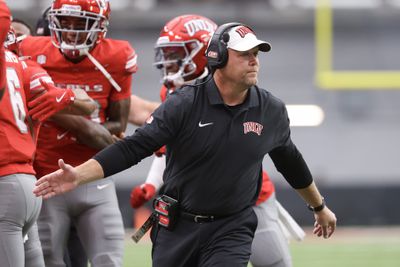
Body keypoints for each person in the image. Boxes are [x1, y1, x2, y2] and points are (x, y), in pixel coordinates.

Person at [33, 22, 337, 267]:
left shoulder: (270, 109)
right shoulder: (185, 103)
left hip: (232, 226)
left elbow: (290, 161)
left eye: (257, 53)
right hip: (178, 226)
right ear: (217, 56)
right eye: (245, 53)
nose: (254, 60)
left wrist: (318, 206)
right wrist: (77, 175)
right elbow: (133, 148)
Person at [129, 14, 304, 267]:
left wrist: (317, 206)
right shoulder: (176, 96)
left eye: (178, 54)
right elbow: (167, 147)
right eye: (168, 54)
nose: (169, 63)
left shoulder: (239, 89)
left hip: (248, 200)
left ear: (209, 54)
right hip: (196, 206)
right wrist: (151, 184)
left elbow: (286, 154)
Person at [18, 0, 142, 266]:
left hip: (94, 177)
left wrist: (55, 111)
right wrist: (85, 123)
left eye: (81, 23)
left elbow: (116, 129)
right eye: (65, 22)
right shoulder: (29, 51)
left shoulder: (117, 56)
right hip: (45, 178)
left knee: (109, 260)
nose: (72, 31)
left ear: (101, 26)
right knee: (48, 261)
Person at [0, 2, 95, 266]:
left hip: (5, 181)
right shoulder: (23, 68)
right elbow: (89, 102)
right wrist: (64, 95)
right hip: (28, 181)